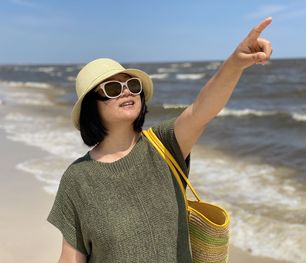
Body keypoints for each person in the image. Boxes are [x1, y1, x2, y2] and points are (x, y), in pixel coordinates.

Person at [47, 17, 273, 263]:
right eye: (112, 88)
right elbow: (71, 258)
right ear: (92, 107)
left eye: (132, 85)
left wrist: (235, 64)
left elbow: (202, 110)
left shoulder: (164, 145)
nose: (127, 91)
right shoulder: (77, 179)